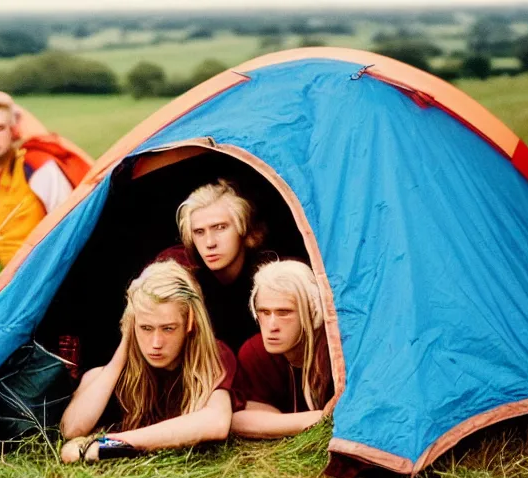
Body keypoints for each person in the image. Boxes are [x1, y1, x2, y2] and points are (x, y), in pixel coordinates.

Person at [59, 259, 239, 463]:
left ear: (190, 323)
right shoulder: (124, 363)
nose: (155, 343)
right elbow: (72, 428)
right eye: (146, 328)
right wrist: (125, 345)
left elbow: (216, 422)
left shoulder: (215, 354)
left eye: (168, 328)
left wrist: (111, 445)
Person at [0, 90, 91, 270]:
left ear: (13, 131)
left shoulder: (37, 165)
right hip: (4, 273)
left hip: (41, 270)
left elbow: (68, 222)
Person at [163, 180, 268, 353]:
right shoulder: (189, 288)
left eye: (220, 227)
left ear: (243, 228)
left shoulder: (269, 281)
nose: (210, 243)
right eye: (199, 232)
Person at [231, 260, 333, 438]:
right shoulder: (255, 352)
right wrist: (319, 418)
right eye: (264, 312)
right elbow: (238, 420)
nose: (272, 326)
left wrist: (275, 424)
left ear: (313, 312)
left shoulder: (334, 353)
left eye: (284, 312)